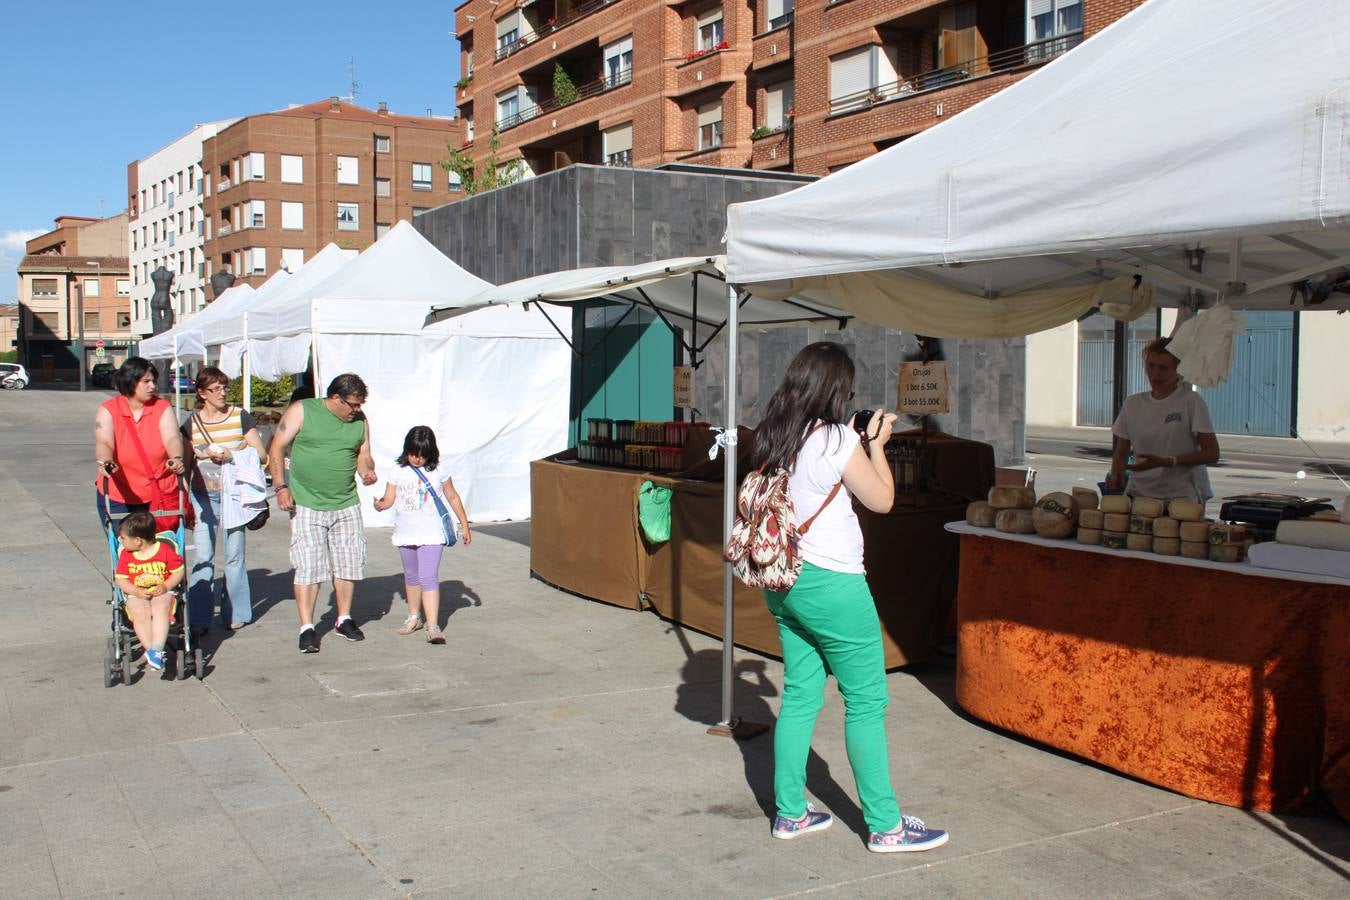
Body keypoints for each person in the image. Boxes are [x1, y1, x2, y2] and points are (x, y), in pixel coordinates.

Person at [751, 341, 948, 854]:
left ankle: (790, 813)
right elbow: (882, 500)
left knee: (799, 695)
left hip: (784, 579)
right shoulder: (837, 439)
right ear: (837, 391)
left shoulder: (776, 435)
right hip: (834, 583)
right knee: (865, 702)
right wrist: (876, 443)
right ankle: (885, 825)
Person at [268, 373, 378, 653]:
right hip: (306, 502)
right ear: (336, 398)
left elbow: (363, 454)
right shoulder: (302, 411)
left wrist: (367, 472)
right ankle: (307, 627)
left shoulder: (360, 420)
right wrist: (281, 487)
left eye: (360, 404)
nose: (357, 410)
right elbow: (277, 447)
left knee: (348, 562)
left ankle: (343, 619)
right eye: (353, 404)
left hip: (346, 503)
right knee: (308, 566)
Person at [183, 367, 270, 631]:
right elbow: (185, 463)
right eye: (215, 389)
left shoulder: (239, 416)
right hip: (203, 496)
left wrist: (232, 456)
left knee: (234, 555)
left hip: (233, 496)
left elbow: (262, 455)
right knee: (204, 555)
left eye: (224, 387)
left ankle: (236, 612)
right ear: (202, 393)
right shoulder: (191, 423)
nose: (222, 393)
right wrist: (184, 499)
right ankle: (199, 617)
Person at [373, 426, 472, 644]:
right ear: (406, 450)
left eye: (422, 455)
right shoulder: (397, 471)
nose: (417, 459)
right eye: (413, 453)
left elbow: (452, 497)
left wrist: (464, 524)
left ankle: (433, 625)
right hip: (406, 533)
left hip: (432, 533)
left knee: (428, 577)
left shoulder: (439, 470)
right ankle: (413, 617)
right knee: (411, 576)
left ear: (430, 452)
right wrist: (381, 504)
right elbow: (390, 498)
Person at [1107, 337, 1221, 502]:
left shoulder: (1191, 402)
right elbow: (1121, 452)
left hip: (1180, 497)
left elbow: (1212, 454)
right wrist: (1116, 476)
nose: (1155, 374)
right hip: (1138, 493)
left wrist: (1170, 461)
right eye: (1151, 366)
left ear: (1178, 370)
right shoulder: (1132, 403)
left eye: (1163, 368)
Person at [94, 356, 186, 527]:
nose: (153, 386)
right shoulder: (108, 409)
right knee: (126, 549)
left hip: (159, 491)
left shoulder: (162, 407)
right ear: (130, 381)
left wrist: (176, 458)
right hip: (119, 493)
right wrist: (106, 461)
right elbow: (104, 442)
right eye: (146, 381)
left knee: (161, 548)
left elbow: (172, 437)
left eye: (154, 381)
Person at [113, 510, 186, 672]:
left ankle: (157, 649)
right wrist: (136, 591)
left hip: (162, 591)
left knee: (160, 609)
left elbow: (178, 571)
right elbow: (121, 579)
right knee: (140, 613)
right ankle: (152, 652)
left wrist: (166, 585)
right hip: (136, 592)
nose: (121, 541)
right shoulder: (126, 555)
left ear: (138, 540)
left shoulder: (164, 550)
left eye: (123, 538)